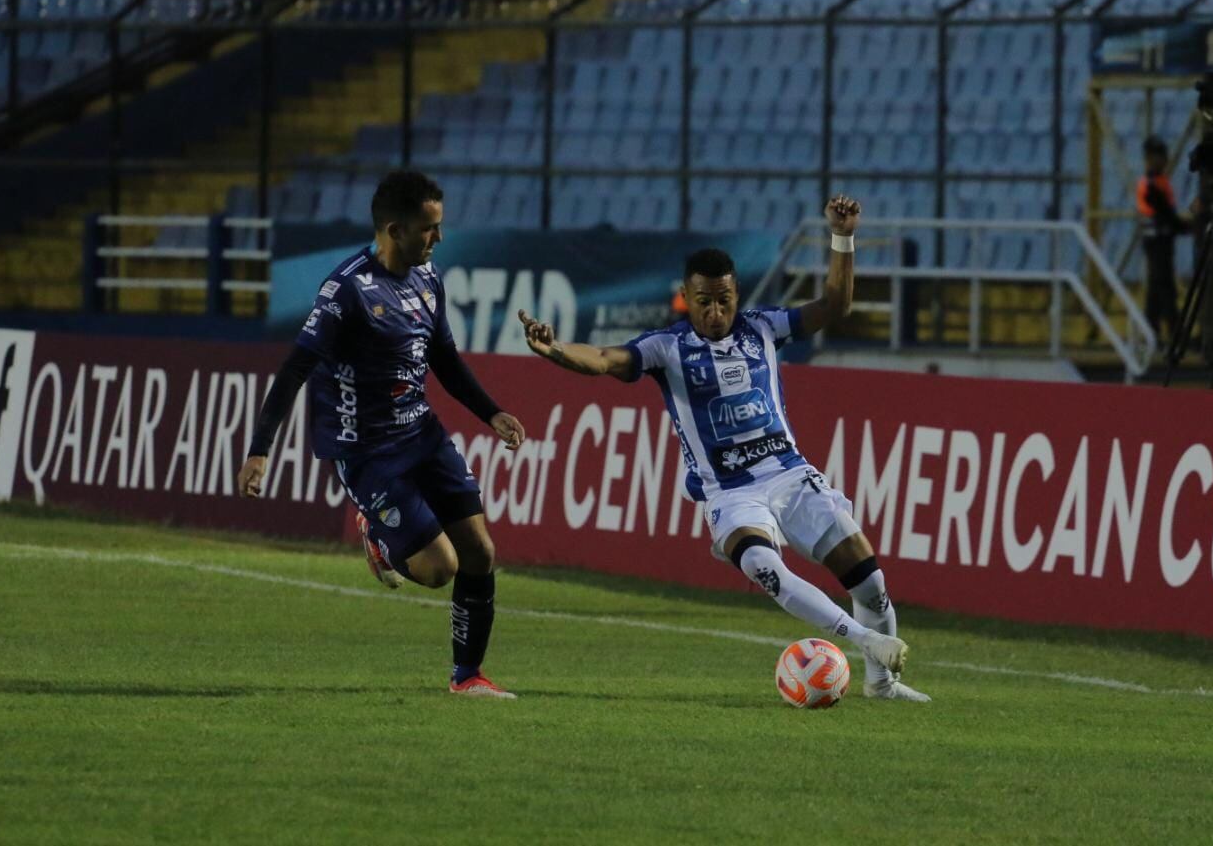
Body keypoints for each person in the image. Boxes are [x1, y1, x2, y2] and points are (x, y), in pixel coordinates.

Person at [518, 195, 929, 702]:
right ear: (686, 299)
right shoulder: (665, 348)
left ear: (737, 295)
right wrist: (556, 349)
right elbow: (604, 358)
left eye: (725, 300)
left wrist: (842, 237)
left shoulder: (763, 327)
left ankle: (881, 684)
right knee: (764, 566)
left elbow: (834, 307)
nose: (716, 312)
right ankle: (867, 640)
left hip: (791, 476)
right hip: (731, 493)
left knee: (871, 582)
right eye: (705, 301)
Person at [237, 170, 526, 699]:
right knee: (440, 569)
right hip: (366, 451)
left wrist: (492, 413)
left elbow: (445, 359)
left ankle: (467, 678)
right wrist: (260, 450)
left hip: (423, 433)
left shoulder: (427, 278)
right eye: (427, 229)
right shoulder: (346, 291)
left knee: (480, 552)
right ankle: (378, 536)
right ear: (394, 229)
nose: (437, 239)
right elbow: (294, 369)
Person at [1136, 136, 1189, 341]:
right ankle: (1173, 332)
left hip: (1159, 240)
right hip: (1157, 240)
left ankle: (1152, 330)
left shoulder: (1157, 182)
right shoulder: (1151, 185)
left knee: (1157, 287)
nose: (1163, 160)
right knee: (1164, 286)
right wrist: (1184, 226)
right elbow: (1165, 214)